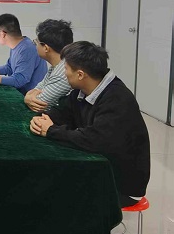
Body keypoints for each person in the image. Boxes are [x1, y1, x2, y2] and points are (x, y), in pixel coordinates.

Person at [29, 41, 150, 207]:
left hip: (119, 183)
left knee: (49, 189)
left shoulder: (117, 98)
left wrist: (51, 130)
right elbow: (62, 111)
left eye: (66, 69)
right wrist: (43, 119)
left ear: (80, 74)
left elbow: (95, 140)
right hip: (97, 166)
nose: (64, 73)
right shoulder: (83, 90)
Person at [0, 13, 47, 95]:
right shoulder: (18, 45)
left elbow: (19, 80)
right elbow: (9, 67)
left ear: (3, 34)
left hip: (31, 97)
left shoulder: (27, 49)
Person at [24, 19, 74, 112]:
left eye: (36, 42)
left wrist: (27, 98)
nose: (35, 45)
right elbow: (37, 88)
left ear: (46, 48)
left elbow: (40, 104)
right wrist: (28, 97)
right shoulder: (58, 65)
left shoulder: (63, 72)